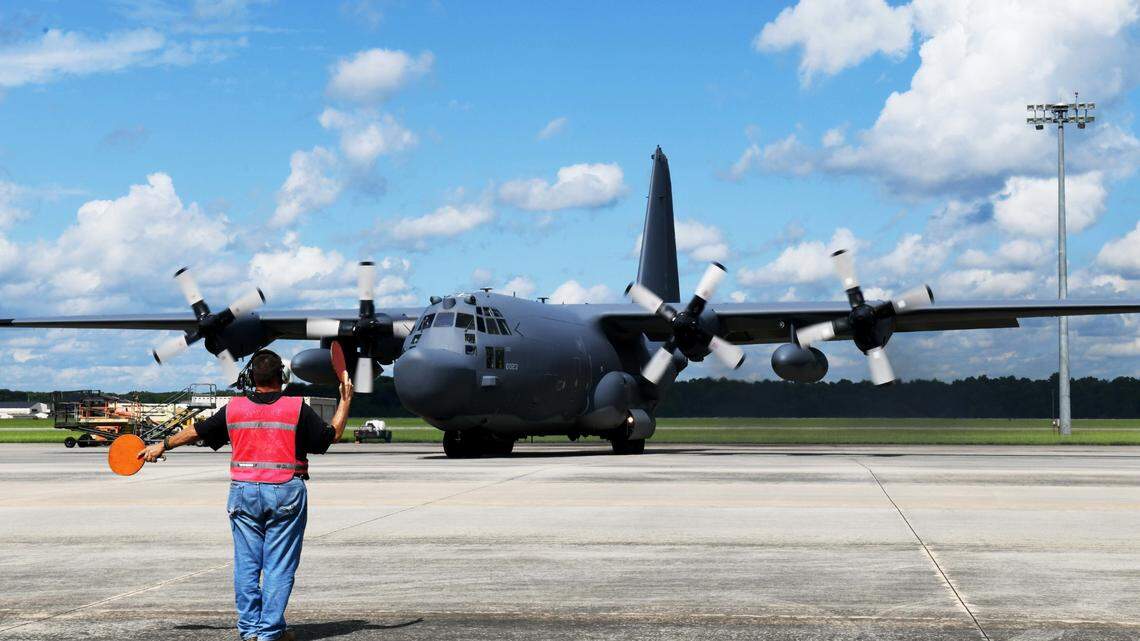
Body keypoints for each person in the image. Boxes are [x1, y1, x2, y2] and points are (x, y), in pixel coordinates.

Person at [140, 349, 354, 641]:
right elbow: (331, 436)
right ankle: (270, 633)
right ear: (283, 377)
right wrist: (346, 400)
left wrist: (162, 445)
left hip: (243, 493)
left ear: (250, 378)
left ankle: (250, 631)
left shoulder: (234, 408)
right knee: (279, 566)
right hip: (285, 491)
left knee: (246, 565)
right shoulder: (295, 408)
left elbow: (196, 431)